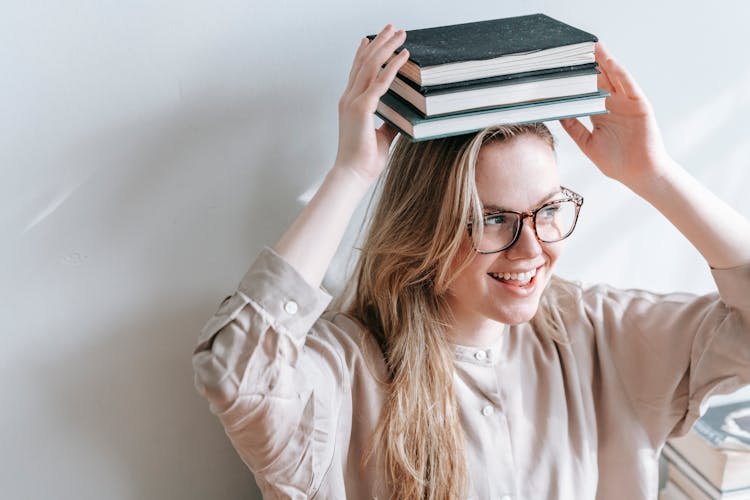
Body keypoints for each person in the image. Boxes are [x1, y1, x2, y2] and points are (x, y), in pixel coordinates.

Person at [192, 24, 750, 500]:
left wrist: (655, 175)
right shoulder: (349, 373)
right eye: (492, 220)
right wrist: (350, 176)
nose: (531, 249)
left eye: (548, 210)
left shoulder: (594, 333)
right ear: (426, 229)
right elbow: (235, 371)